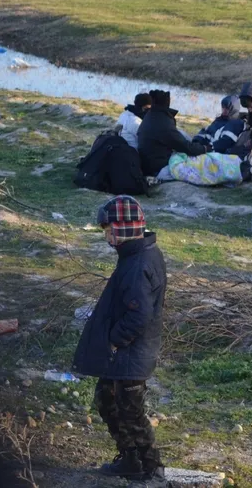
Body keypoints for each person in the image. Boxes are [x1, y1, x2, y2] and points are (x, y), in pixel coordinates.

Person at [72, 196, 167, 487]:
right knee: (107, 399)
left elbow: (139, 316)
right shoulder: (135, 256)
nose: (106, 235)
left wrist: (113, 341)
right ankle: (130, 459)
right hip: (128, 355)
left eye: (109, 228)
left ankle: (151, 469)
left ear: (124, 228)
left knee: (131, 412)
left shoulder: (138, 265)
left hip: (131, 354)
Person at [137, 90, 208, 177]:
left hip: (149, 164)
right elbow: (185, 146)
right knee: (198, 165)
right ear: (166, 103)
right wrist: (204, 149)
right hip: (158, 169)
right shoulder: (162, 122)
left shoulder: (150, 115)